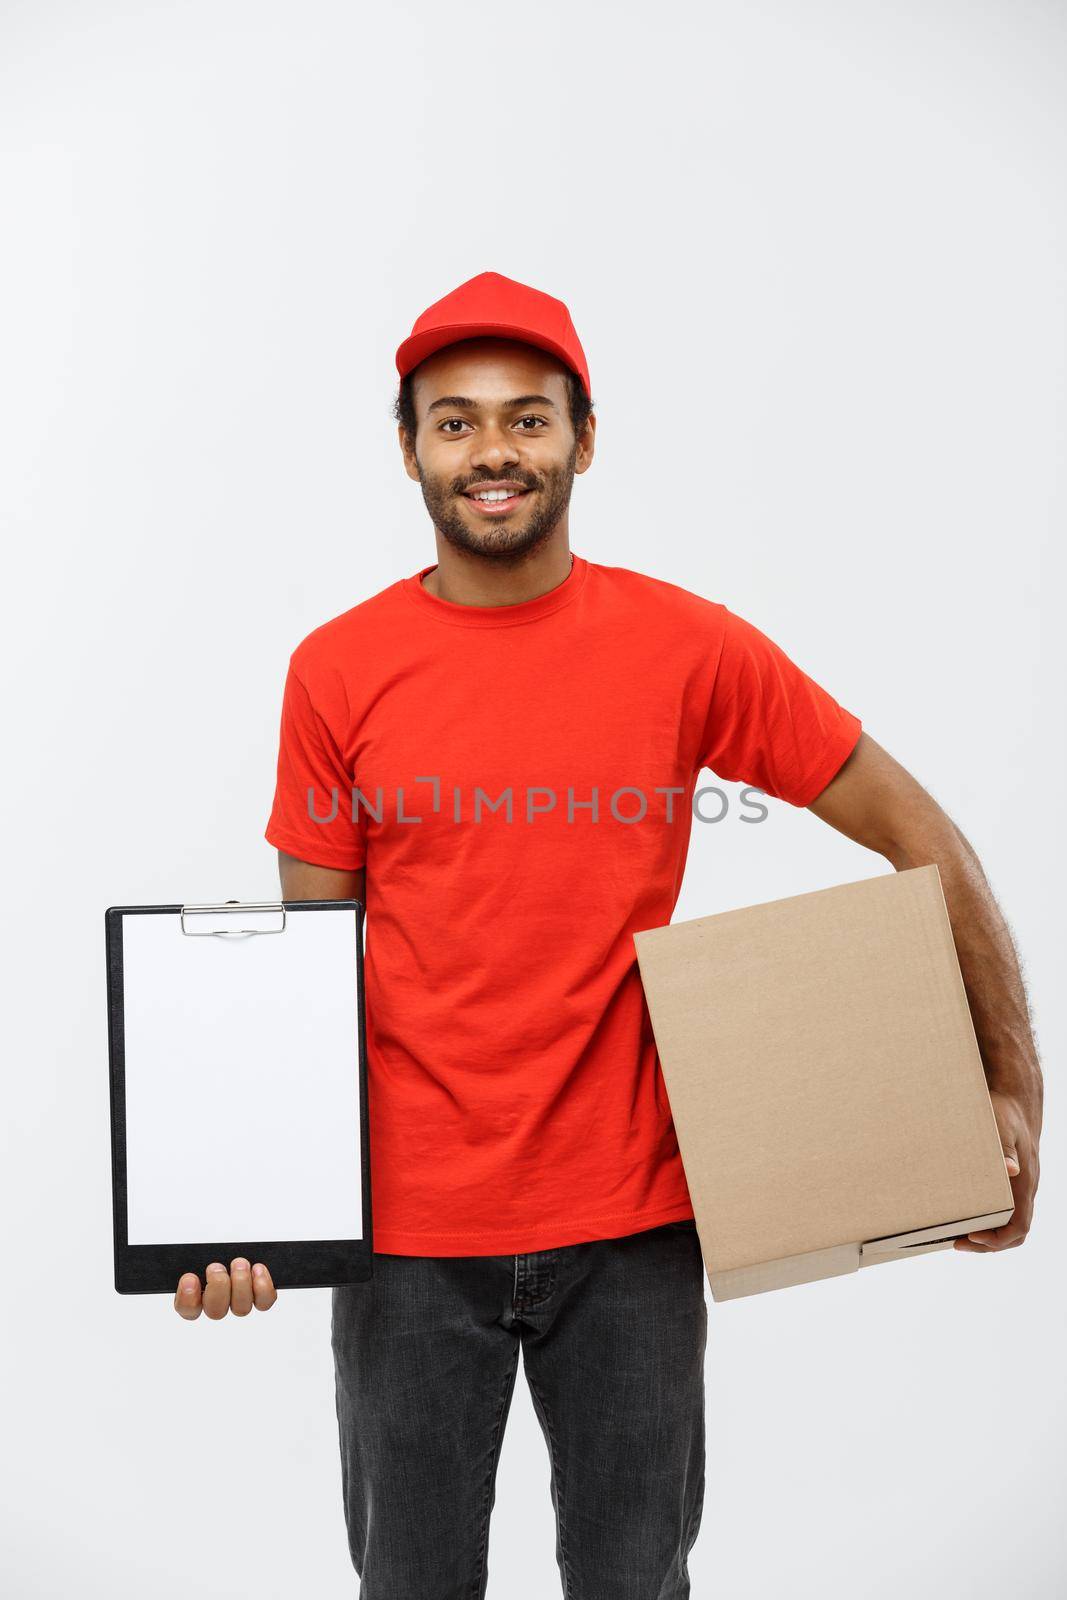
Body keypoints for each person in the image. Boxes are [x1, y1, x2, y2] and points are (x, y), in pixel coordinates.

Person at [173, 271, 1044, 1600]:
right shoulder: (337, 670)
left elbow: (921, 831)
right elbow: (308, 981)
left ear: (585, 438)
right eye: (454, 422)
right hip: (409, 1240)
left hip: (637, 1224)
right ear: (407, 448)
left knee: (638, 1585)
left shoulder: (687, 649)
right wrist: (243, 1218)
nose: (493, 453)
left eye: (528, 419)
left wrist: (1012, 1080)